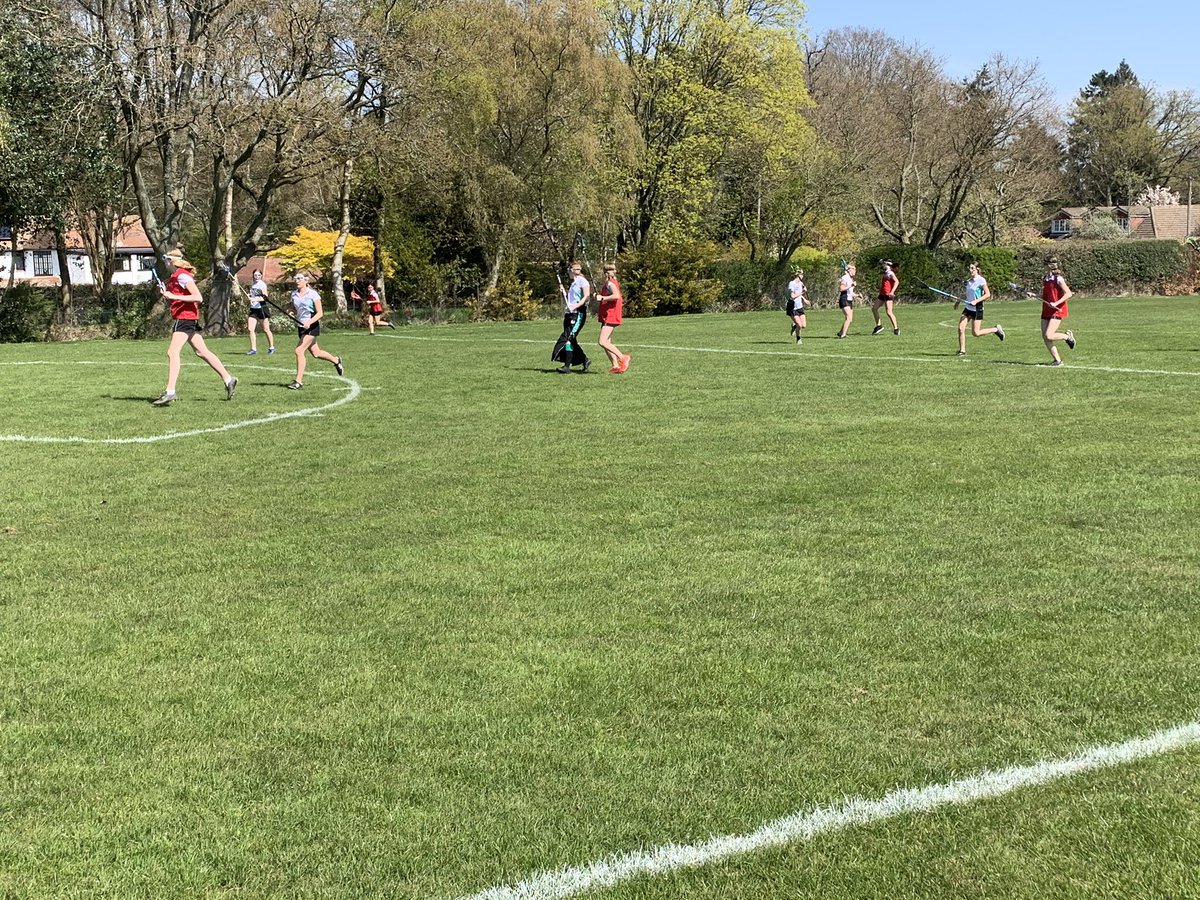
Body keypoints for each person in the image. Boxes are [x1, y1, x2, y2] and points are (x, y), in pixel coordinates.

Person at [152, 250, 238, 406]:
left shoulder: (182, 276)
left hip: (185, 318)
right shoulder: (174, 277)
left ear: (170, 261)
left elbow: (198, 297)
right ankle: (228, 379)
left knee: (172, 352)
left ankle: (170, 391)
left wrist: (174, 296)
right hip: (186, 317)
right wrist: (167, 294)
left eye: (165, 261)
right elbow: (177, 295)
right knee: (201, 351)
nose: (164, 264)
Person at [286, 272, 344, 389]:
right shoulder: (294, 294)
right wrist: (291, 312)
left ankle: (298, 381)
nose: (297, 280)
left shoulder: (313, 294)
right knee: (316, 353)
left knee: (299, 350)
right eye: (296, 278)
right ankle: (336, 360)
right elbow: (294, 309)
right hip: (301, 326)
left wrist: (309, 322)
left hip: (312, 326)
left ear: (306, 281)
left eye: (300, 278)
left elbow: (320, 313)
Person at [954, 262, 1004, 356]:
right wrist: (958, 301)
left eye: (972, 268)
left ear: (977, 269)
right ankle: (962, 351)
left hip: (977, 308)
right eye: (969, 268)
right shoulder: (968, 281)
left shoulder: (981, 280)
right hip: (968, 308)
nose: (970, 270)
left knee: (976, 333)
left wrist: (976, 301)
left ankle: (995, 330)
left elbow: (987, 294)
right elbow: (966, 293)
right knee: (961, 328)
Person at [552, 262, 591, 373]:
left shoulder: (582, 281)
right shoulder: (573, 283)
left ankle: (567, 366)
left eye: (570, 270)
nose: (569, 272)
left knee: (568, 338)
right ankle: (584, 360)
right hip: (570, 314)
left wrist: (576, 306)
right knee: (571, 339)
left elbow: (586, 296)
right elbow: (571, 299)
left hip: (578, 314)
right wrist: (564, 291)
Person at [1041, 257, 1076, 366]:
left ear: (1050, 265)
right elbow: (1046, 294)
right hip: (1046, 309)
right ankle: (1057, 360)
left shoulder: (1058, 279)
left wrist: (1056, 303)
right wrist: (1034, 295)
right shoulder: (1045, 278)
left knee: (1049, 335)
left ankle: (1067, 337)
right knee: (1045, 336)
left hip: (1057, 309)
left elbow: (1068, 293)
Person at [596, 263, 630, 373]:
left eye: (612, 270)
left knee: (602, 342)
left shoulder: (611, 283)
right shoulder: (608, 283)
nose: (610, 272)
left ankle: (623, 357)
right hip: (607, 314)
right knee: (608, 341)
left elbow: (616, 296)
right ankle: (615, 365)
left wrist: (603, 297)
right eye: (608, 270)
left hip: (611, 315)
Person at [245, 269, 275, 355]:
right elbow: (252, 295)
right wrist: (249, 296)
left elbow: (265, 298)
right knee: (250, 329)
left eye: (258, 275)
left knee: (266, 329)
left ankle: (271, 347)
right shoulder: (253, 284)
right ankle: (253, 349)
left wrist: (254, 299)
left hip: (261, 309)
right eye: (255, 275)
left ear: (261, 276)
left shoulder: (262, 285)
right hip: (253, 309)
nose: (257, 277)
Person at [872, 259, 900, 335]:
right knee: (874, 309)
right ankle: (879, 326)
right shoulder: (886, 271)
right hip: (882, 294)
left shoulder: (890, 273)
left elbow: (897, 282)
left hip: (888, 295)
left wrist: (892, 292)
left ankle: (896, 328)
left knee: (889, 312)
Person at [786, 268, 807, 344]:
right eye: (801, 274)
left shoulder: (801, 283)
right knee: (800, 325)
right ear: (798, 275)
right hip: (792, 307)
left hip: (799, 307)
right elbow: (792, 296)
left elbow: (799, 294)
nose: (803, 275)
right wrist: (802, 292)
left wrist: (804, 299)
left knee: (803, 325)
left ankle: (794, 326)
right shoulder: (792, 283)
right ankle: (798, 339)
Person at [835, 262, 856, 338]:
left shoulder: (850, 279)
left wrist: (857, 295)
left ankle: (841, 333)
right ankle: (843, 334)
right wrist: (851, 285)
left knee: (850, 319)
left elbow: (850, 292)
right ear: (849, 270)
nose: (855, 271)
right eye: (854, 269)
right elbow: (841, 289)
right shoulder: (844, 277)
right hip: (844, 299)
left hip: (849, 300)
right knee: (848, 317)